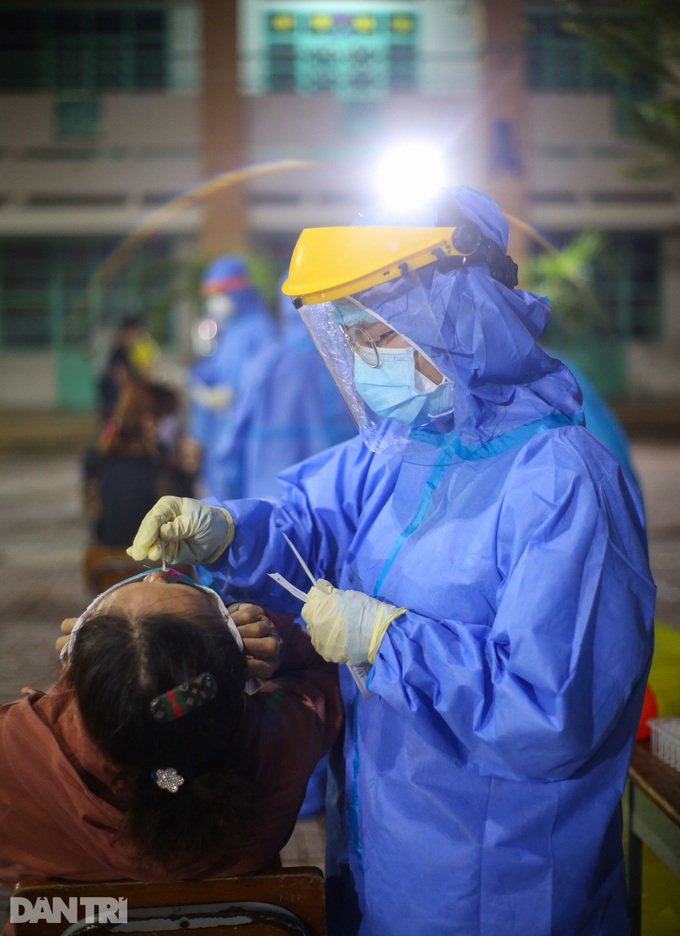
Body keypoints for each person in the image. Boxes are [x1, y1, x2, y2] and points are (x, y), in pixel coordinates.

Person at [128, 186, 656, 935]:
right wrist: (227, 531)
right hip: (387, 856)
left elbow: (554, 711)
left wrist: (388, 641)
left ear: (459, 315)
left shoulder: (564, 481)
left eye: (379, 334)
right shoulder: (402, 451)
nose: (364, 360)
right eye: (352, 338)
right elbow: (308, 521)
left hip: (502, 883)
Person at [0, 568, 341, 892]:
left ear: (81, 666)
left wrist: (71, 688)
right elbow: (326, 668)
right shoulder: (279, 744)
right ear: (239, 668)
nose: (157, 574)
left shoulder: (16, 752)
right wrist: (275, 637)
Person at [186, 255, 277, 499]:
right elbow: (216, 366)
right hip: (222, 427)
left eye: (220, 294)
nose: (214, 302)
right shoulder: (228, 328)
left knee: (243, 497)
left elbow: (265, 375)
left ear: (237, 292)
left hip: (246, 428)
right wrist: (198, 380)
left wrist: (234, 394)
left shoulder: (261, 327)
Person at [83, 380, 197, 549]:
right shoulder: (155, 461)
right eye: (156, 416)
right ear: (144, 417)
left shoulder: (101, 456)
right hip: (150, 554)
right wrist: (189, 470)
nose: (158, 424)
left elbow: (93, 509)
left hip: (108, 551)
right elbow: (184, 511)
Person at [97, 316, 161, 422]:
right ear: (126, 332)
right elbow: (121, 378)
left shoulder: (134, 353)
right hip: (116, 402)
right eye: (134, 333)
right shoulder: (119, 352)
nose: (136, 337)